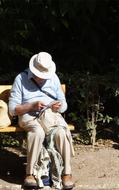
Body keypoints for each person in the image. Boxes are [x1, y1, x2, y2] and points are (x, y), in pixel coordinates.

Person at [8, 52, 75, 189]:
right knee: (37, 132)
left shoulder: (53, 78)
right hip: (28, 116)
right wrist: (31, 106)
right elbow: (13, 110)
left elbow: (64, 104)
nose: (42, 78)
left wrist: (58, 107)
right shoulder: (21, 79)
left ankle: (66, 173)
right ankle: (30, 174)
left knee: (61, 133)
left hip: (50, 116)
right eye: (39, 74)